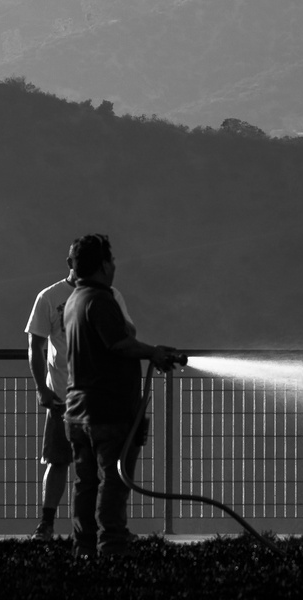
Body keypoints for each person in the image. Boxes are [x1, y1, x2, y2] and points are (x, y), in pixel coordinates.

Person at [62, 232, 185, 556]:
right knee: (114, 480)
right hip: (108, 410)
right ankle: (112, 544)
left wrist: (149, 353)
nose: (115, 265)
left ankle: (84, 546)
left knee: (86, 483)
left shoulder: (75, 299)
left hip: (78, 411)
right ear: (103, 265)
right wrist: (154, 352)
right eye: (112, 260)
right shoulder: (101, 300)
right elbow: (119, 343)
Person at [25, 257, 136, 539]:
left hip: (99, 396)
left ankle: (106, 528)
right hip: (63, 397)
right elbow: (35, 346)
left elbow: (127, 332)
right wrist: (42, 388)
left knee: (104, 466)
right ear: (70, 263)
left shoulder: (110, 296)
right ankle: (48, 524)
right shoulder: (49, 297)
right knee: (59, 461)